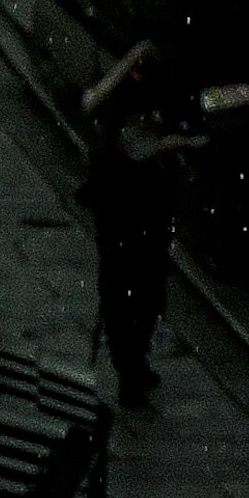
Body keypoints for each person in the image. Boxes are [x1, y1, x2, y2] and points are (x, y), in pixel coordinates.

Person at [79, 37, 194, 415]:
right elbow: (95, 108)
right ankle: (129, 369)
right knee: (122, 285)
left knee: (147, 287)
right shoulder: (128, 87)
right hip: (120, 200)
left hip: (150, 204)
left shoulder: (171, 89)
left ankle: (135, 362)